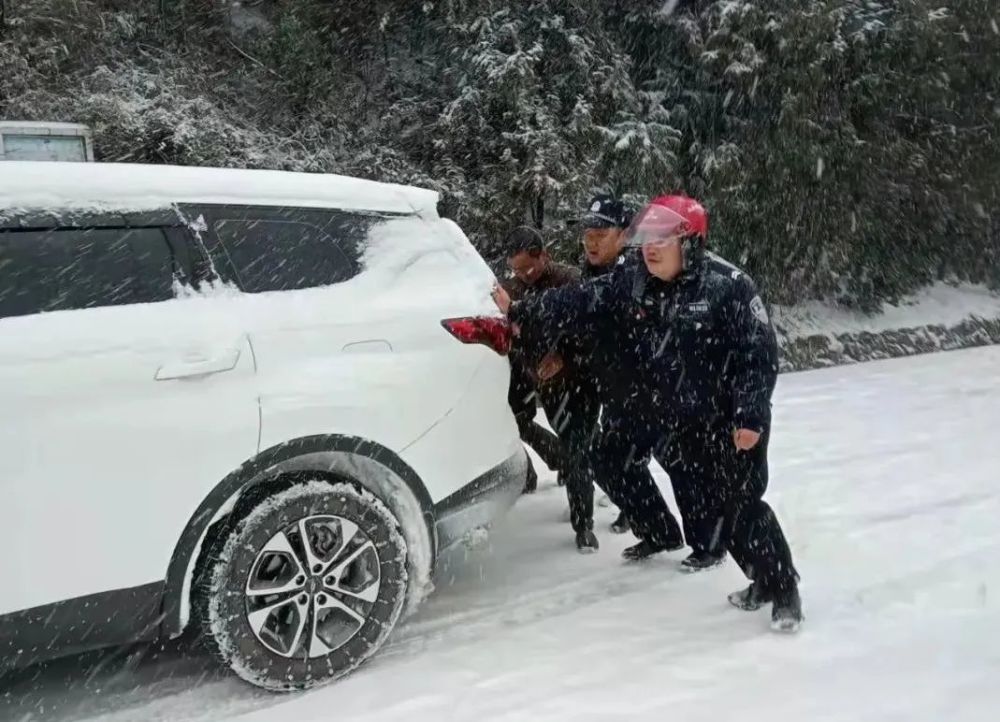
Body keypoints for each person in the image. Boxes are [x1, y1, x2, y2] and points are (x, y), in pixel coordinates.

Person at [494, 195, 804, 632]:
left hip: (733, 419)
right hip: (684, 417)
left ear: (690, 243)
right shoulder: (635, 278)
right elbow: (583, 298)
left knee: (743, 506)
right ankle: (759, 580)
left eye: (664, 240)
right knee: (716, 510)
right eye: (646, 240)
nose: (650, 249)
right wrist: (522, 310)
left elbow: (758, 356)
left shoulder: (728, 286)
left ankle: (784, 590)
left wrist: (750, 416)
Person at [499, 226, 577, 496]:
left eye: (527, 269)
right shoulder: (514, 286)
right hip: (525, 368)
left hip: (569, 379)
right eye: (516, 270)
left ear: (544, 255)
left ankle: (578, 479)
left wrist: (563, 357)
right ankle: (539, 469)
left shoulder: (569, 281)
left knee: (579, 437)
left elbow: (587, 333)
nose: (522, 276)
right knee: (513, 420)